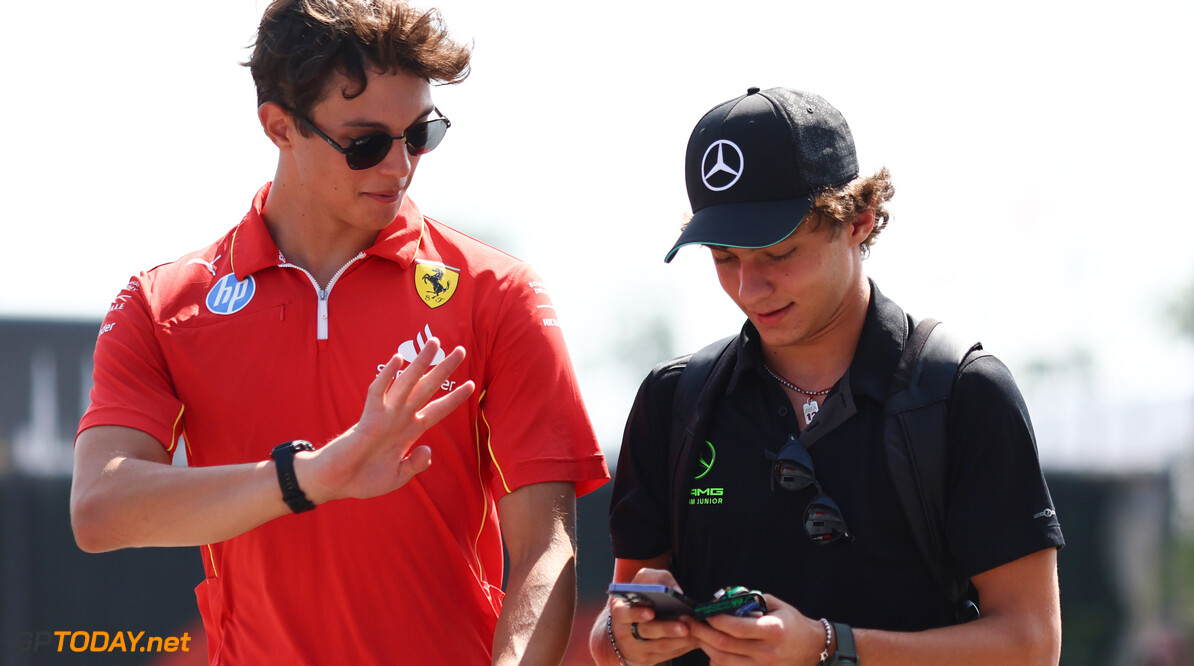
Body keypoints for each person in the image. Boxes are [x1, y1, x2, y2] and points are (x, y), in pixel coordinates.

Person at [70, 1, 609, 663]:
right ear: (278, 127)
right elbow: (100, 508)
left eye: (421, 134)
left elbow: (546, 548)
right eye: (365, 143)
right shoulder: (159, 304)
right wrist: (315, 476)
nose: (400, 165)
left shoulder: (498, 293)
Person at [590, 87, 1064, 665]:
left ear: (859, 221)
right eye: (724, 258)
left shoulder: (962, 393)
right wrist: (633, 635)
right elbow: (610, 637)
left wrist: (828, 648)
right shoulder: (675, 398)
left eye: (779, 253)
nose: (749, 288)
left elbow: (1032, 644)